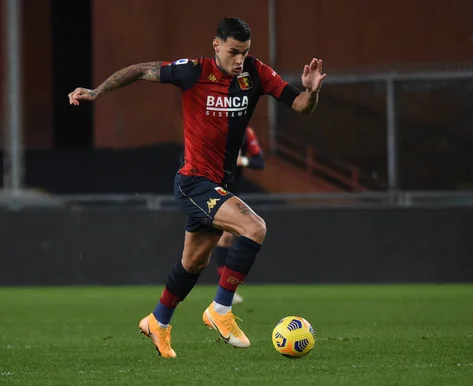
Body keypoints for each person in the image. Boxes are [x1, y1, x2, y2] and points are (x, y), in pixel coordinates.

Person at [68, 17, 326, 358]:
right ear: (216, 46)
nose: (239, 60)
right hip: (194, 182)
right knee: (254, 227)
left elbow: (301, 106)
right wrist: (98, 91)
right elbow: (139, 70)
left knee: (193, 263)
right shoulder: (192, 71)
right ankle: (220, 310)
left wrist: (312, 90)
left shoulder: (256, 73)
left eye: (245, 52)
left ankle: (157, 322)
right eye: (233, 52)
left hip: (219, 182)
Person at [214, 126, 265, 305]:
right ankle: (224, 290)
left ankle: (225, 290)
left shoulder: (246, 131)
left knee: (226, 238)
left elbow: (260, 162)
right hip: (213, 189)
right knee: (213, 243)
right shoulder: (213, 127)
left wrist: (242, 160)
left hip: (233, 192)